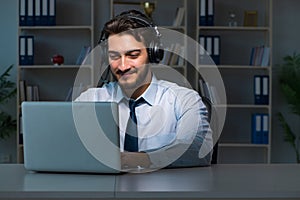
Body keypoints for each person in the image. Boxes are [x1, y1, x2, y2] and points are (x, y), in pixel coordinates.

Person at [76, 10, 213, 170]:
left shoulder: (183, 99)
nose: (123, 66)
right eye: (114, 57)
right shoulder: (90, 100)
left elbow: (198, 149)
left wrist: (141, 159)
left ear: (152, 54)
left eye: (133, 55)